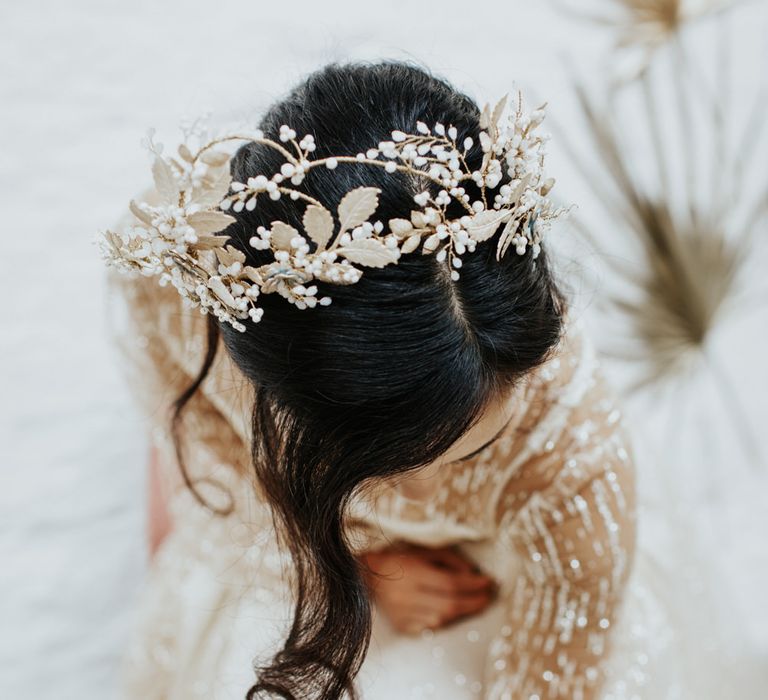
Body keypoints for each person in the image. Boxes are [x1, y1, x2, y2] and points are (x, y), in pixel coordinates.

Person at [103, 60, 675, 700]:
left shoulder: (574, 468)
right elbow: (226, 479)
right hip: (296, 547)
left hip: (498, 581)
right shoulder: (176, 294)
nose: (424, 498)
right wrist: (359, 571)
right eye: (387, 462)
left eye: (478, 446)